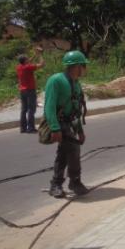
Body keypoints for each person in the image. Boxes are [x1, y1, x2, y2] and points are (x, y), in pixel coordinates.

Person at [45, 50, 90, 198]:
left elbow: (76, 111)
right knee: (73, 149)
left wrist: (80, 131)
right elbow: (49, 106)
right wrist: (54, 127)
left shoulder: (76, 83)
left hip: (70, 124)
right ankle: (74, 182)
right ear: (77, 66)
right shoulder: (56, 80)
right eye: (83, 65)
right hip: (59, 123)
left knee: (63, 154)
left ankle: (56, 184)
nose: (85, 69)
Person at [16, 47, 45, 133]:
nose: (29, 59)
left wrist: (35, 54)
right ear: (25, 61)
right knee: (31, 109)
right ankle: (31, 128)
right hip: (30, 90)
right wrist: (40, 55)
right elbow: (42, 64)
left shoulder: (19, 67)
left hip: (22, 91)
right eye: (27, 58)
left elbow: (28, 62)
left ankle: (23, 128)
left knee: (24, 109)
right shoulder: (28, 67)